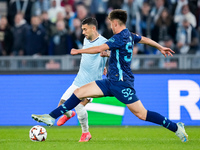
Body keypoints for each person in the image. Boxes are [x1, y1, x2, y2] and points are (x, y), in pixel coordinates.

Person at [32, 9, 188, 142]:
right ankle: (51, 117)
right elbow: (144, 39)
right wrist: (160, 47)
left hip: (122, 84)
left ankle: (176, 127)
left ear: (115, 23)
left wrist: (79, 51)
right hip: (110, 82)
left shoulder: (118, 37)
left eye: (110, 24)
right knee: (78, 93)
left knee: (142, 114)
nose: (110, 27)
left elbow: (99, 48)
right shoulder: (130, 35)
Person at [50, 17, 108, 142]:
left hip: (92, 83)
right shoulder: (86, 39)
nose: (83, 32)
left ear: (93, 28)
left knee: (79, 106)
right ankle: (70, 115)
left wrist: (105, 64)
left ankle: (85, 133)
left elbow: (108, 54)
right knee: (61, 104)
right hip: (78, 80)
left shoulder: (104, 42)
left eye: (85, 29)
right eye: (82, 30)